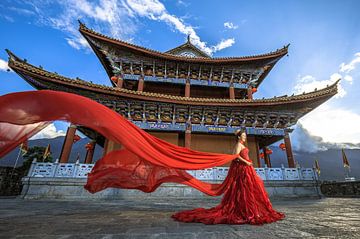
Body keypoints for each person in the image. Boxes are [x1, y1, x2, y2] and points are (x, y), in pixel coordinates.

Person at [171, 128, 285, 225]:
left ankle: (252, 210)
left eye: (245, 136)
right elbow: (235, 156)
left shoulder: (242, 145)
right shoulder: (238, 145)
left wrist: (247, 163)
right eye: (243, 136)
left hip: (247, 169)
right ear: (239, 137)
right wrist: (246, 162)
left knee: (250, 190)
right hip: (242, 169)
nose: (245, 138)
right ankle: (244, 210)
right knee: (243, 189)